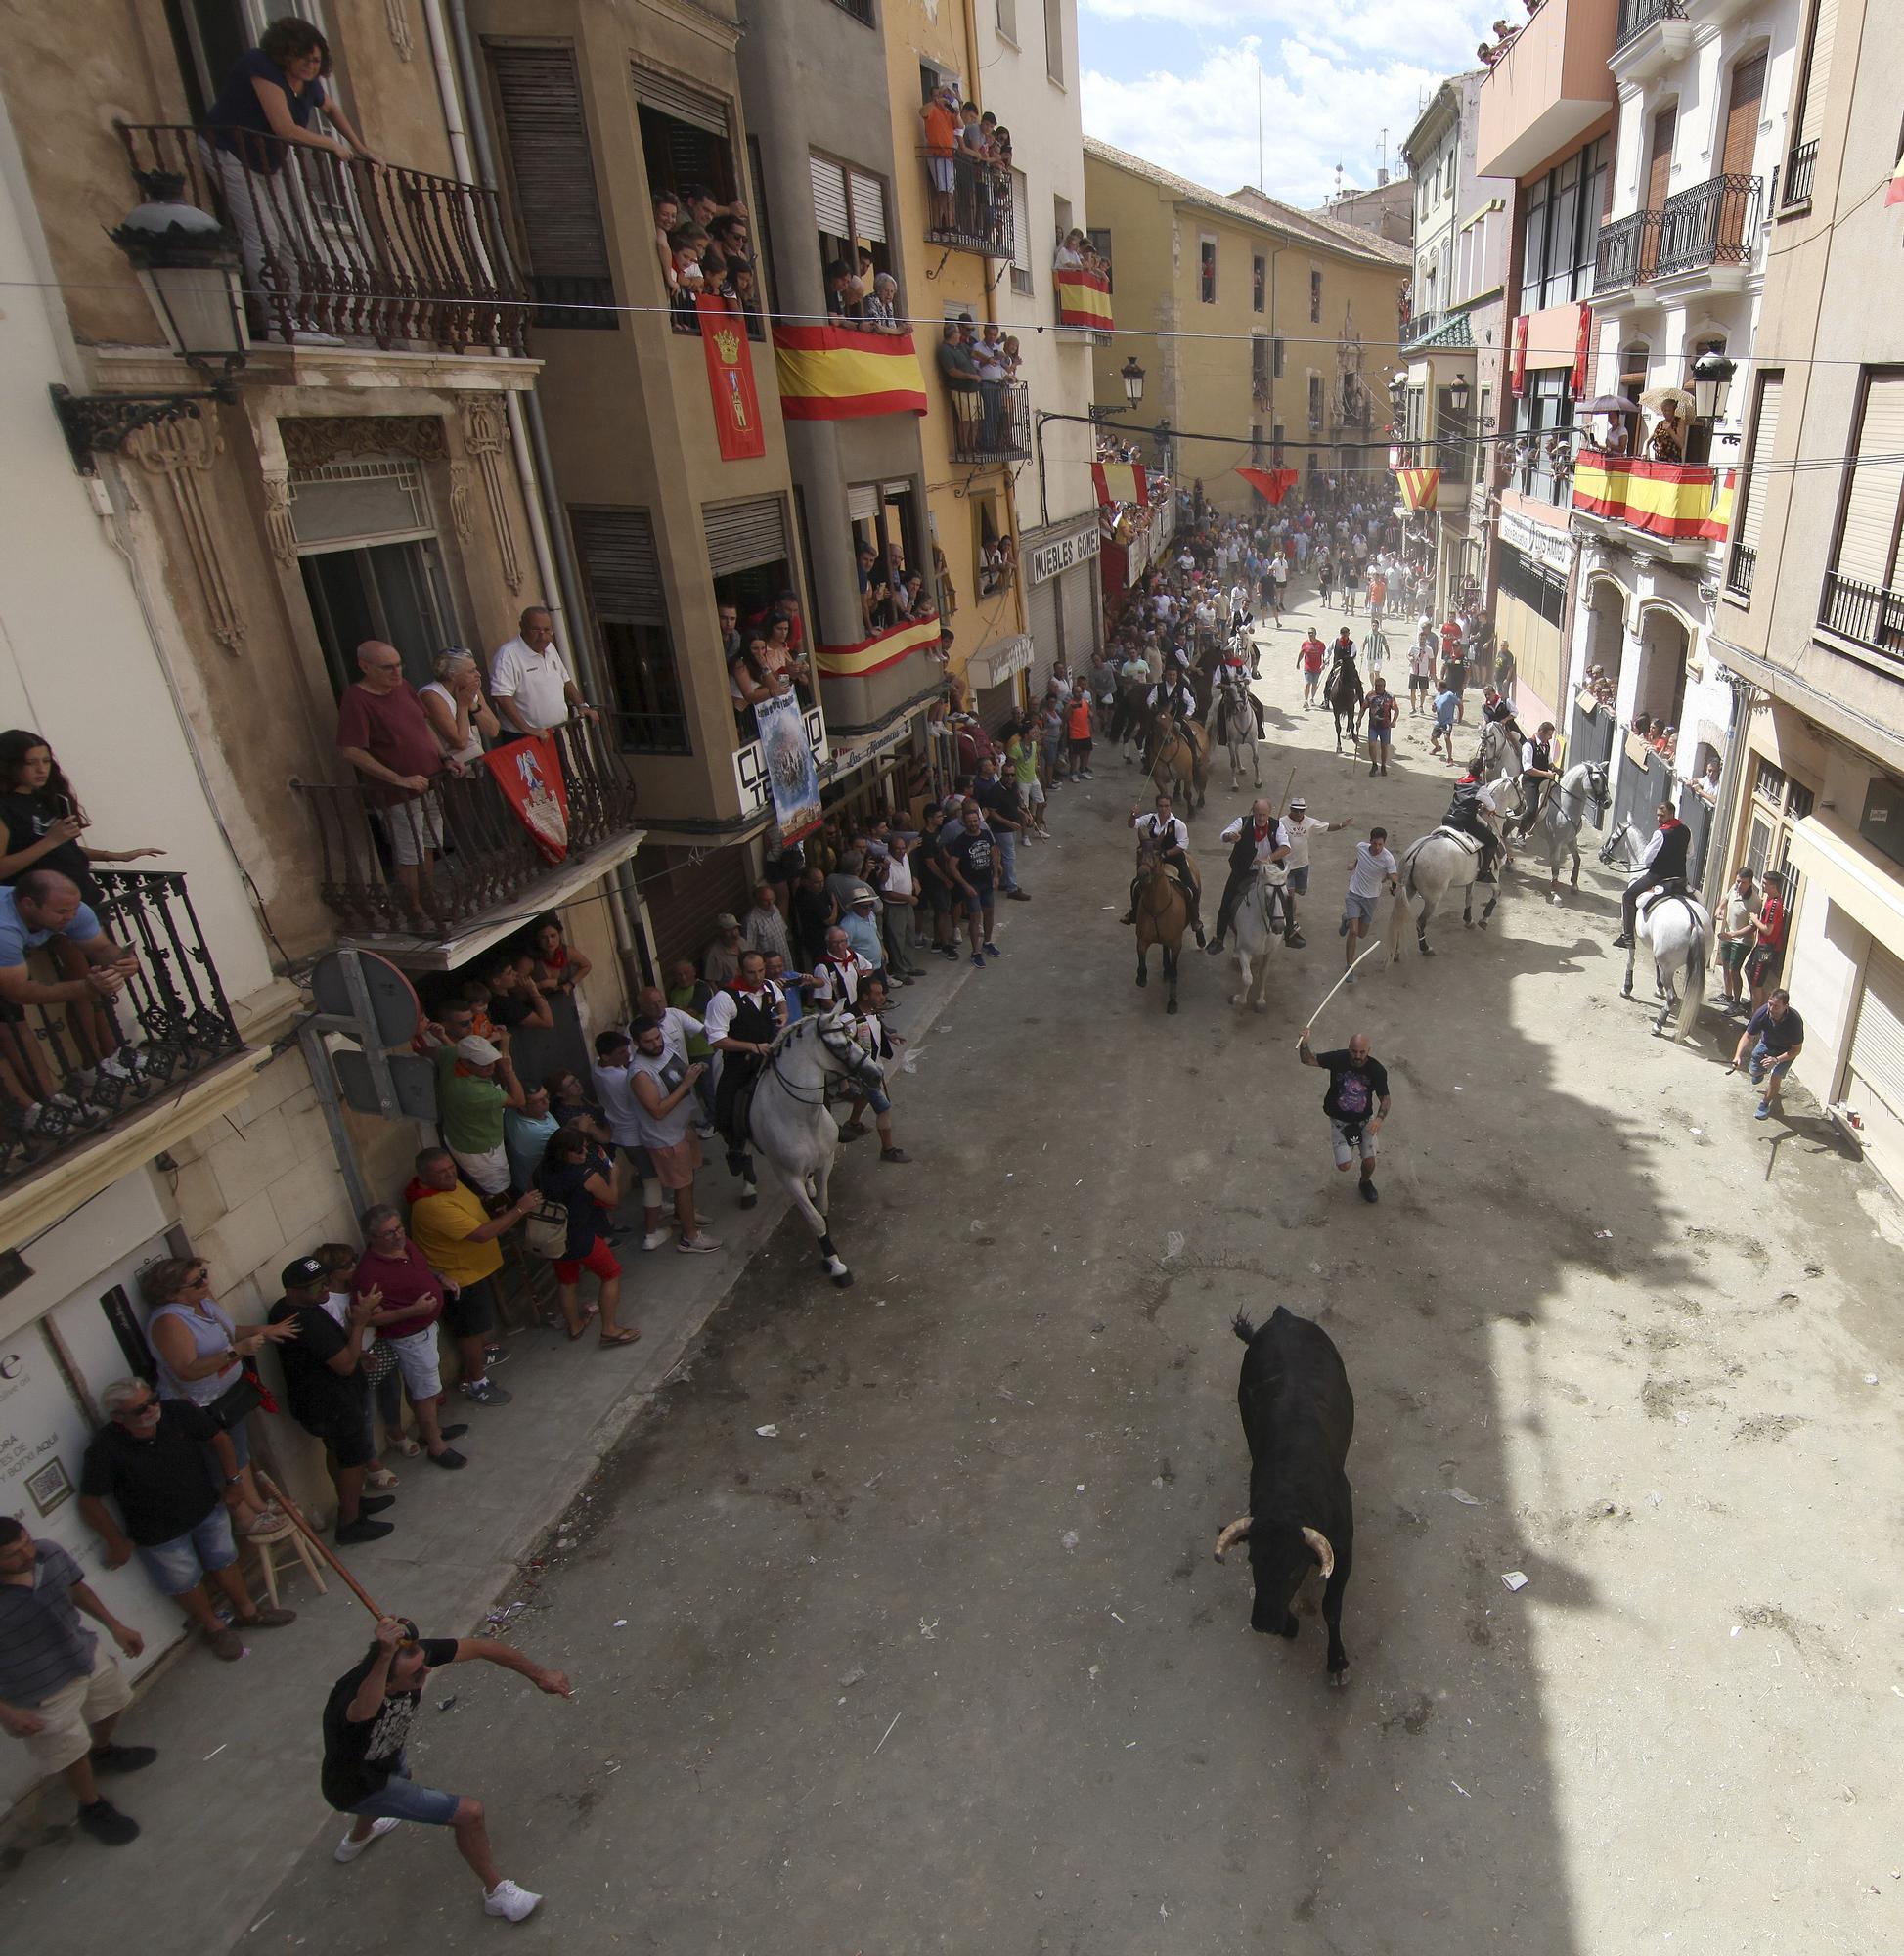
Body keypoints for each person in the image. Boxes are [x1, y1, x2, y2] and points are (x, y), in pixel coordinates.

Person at [324, 1613, 568, 1922]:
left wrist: (540, 1675)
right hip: (355, 1785)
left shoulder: (411, 1659)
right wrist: (385, 1653)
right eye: (415, 1676)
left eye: (425, 1664)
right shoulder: (355, 1697)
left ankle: (356, 1840)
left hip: (385, 1759)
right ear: (387, 1681)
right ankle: (496, 1893)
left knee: (400, 1776)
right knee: (469, 1814)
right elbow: (365, 1710)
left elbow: (481, 1647)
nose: (426, 1672)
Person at [77, 1381, 297, 1659]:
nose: (151, 1409)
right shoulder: (105, 1448)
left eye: (153, 1400)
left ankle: (249, 1612)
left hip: (205, 1507)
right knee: (185, 1582)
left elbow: (220, 1438)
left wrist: (234, 1482)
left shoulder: (177, 1412)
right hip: (159, 1532)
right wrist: (116, 1542)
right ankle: (215, 1627)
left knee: (225, 1560)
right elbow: (89, 1501)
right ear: (119, 1417)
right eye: (140, 1409)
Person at [199, 17, 376, 348]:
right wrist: (334, 146)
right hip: (230, 153)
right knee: (262, 232)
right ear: (285, 53)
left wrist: (361, 148)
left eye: (316, 60)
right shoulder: (259, 65)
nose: (311, 66)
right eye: (304, 58)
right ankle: (275, 318)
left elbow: (332, 108)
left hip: (268, 160)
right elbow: (284, 127)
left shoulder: (308, 84)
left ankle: (292, 312)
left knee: (291, 236)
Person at [0, 1518, 151, 1847]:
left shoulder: (48, 1553)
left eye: (26, 1541)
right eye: (13, 1553)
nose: (27, 1553)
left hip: (81, 1653)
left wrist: (115, 1626)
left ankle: (103, 1751)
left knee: (113, 1701)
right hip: (37, 1690)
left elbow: (76, 1588)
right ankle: (91, 1806)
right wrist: (8, 1713)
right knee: (69, 1751)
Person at [141, 1255, 293, 1536]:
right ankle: (244, 1517)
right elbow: (186, 1370)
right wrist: (237, 1351)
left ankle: (257, 1504)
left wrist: (267, 1330)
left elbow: (232, 1331)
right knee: (223, 1460)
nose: (206, 1282)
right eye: (197, 1281)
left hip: (227, 1394)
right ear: (172, 1292)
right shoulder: (169, 1321)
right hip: (200, 1405)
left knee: (239, 1451)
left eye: (204, 1274)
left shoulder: (203, 1302)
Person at [267, 1258, 396, 1544]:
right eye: (316, 1286)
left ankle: (353, 1503)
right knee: (352, 1458)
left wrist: (358, 1354)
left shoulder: (291, 1309)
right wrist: (360, 1322)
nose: (325, 1289)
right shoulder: (306, 1320)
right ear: (294, 1291)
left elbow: (337, 1351)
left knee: (339, 1453)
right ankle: (350, 1523)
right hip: (332, 1404)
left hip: (324, 1402)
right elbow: (345, 1365)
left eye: (326, 1282)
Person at [407, 1148, 540, 1402]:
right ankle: (477, 1382)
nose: (449, 1175)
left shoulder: (446, 1186)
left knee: (479, 1326)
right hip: (459, 1280)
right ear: (424, 1177)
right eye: (441, 1172)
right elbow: (481, 1234)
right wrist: (519, 1210)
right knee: (469, 1332)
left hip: (473, 1271)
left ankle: (480, 1358)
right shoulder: (431, 1205)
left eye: (450, 1168)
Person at [336, 641, 454, 918]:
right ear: (365, 667)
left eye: (399, 664)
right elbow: (351, 750)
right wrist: (398, 779)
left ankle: (428, 899)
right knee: (408, 853)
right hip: (398, 795)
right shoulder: (357, 699)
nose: (396, 672)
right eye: (387, 667)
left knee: (427, 844)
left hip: (430, 783)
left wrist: (445, 759)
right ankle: (412, 909)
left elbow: (423, 726)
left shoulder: (404, 687)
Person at [354, 1206, 472, 1468]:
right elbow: (370, 1318)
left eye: (398, 1229)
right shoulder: (369, 1273)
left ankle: (431, 1431)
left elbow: (422, 1268)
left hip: (427, 1329)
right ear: (372, 1238)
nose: (397, 1236)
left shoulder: (405, 1245)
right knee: (425, 1392)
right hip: (410, 1336)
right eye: (388, 1233)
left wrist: (440, 1278)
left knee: (422, 1387)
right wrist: (413, 1311)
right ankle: (437, 1446)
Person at [622, 1017, 720, 1252]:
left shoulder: (663, 1049)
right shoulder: (640, 1073)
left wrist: (695, 1071)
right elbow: (656, 1110)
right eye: (649, 1041)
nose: (657, 1043)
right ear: (636, 1043)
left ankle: (683, 1215)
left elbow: (678, 1074)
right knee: (682, 1186)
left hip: (683, 1128)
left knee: (688, 1181)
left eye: (658, 1037)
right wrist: (687, 1083)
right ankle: (690, 1237)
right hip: (666, 1139)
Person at [534, 1127, 639, 1345]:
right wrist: (613, 1177)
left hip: (554, 1238)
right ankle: (609, 1329)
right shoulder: (585, 1176)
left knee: (567, 1282)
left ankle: (574, 1325)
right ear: (565, 1153)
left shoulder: (541, 1171)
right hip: (582, 1236)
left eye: (584, 1149)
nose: (584, 1155)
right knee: (611, 1274)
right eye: (579, 1152)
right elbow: (612, 1200)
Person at [703, 950, 786, 1202]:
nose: (758, 976)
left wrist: (784, 1014)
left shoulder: (769, 986)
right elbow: (716, 1038)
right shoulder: (724, 998)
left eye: (761, 970)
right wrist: (751, 1047)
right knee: (728, 1107)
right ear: (740, 971)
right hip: (742, 1060)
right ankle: (737, 1150)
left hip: (771, 1053)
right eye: (752, 972)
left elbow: (781, 1000)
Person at [1297, 1026, 1392, 1203]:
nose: (1357, 1056)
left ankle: (1365, 1182)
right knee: (1344, 1166)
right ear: (1349, 1049)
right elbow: (1308, 1060)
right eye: (1354, 1052)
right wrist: (1304, 1043)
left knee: (1370, 1161)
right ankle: (1350, 1155)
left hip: (1364, 1121)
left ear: (1368, 1051)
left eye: (1362, 1052)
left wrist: (1379, 1119)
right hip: (1340, 1122)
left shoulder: (1377, 1070)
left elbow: (1385, 1098)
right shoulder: (1338, 1059)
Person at [430, 1034, 522, 1196]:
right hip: (480, 1151)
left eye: (491, 1061)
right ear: (465, 1062)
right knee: (498, 1189)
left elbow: (431, 1052)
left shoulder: (452, 1054)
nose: (491, 1067)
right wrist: (508, 1070)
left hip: (460, 1134)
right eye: (484, 1065)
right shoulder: (474, 1092)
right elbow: (519, 1101)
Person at [837, 975, 909, 1163]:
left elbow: (874, 1028)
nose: (882, 997)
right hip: (862, 1072)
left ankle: (853, 1123)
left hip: (872, 1067)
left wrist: (889, 1037)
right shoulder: (849, 1019)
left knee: (864, 1095)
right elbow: (840, 1046)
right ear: (865, 995)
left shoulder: (871, 1011)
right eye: (877, 993)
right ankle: (888, 1150)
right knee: (884, 1108)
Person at [1207, 798, 1290, 954]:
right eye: (1258, 814)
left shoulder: (1277, 826)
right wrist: (1231, 836)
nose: (1261, 818)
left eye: (1264, 814)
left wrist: (1268, 859)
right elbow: (1224, 835)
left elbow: (1286, 848)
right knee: (1226, 901)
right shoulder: (1243, 822)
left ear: (1269, 813)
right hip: (1244, 870)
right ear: (1253, 812)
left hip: (1269, 872)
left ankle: (1290, 930)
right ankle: (1219, 938)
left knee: (1285, 897)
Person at [489, 608, 592, 734]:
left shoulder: (549, 648)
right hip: (525, 737)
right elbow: (501, 697)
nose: (542, 635)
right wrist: (528, 729)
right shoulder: (508, 655)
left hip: (556, 732)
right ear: (522, 627)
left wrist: (582, 705)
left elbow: (566, 681)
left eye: (547, 630)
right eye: (535, 629)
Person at [1123, 792, 1202, 943]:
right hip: (1155, 859)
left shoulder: (1178, 824)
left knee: (1192, 889)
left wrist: (1165, 854)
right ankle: (1134, 913)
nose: (1163, 809)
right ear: (1157, 806)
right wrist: (1133, 815)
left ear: (1170, 807)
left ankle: (1195, 919)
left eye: (1166, 806)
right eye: (1160, 806)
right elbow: (1133, 825)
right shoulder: (1151, 819)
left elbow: (1182, 845)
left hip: (1174, 858)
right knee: (1136, 884)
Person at [1614, 802, 1693, 948]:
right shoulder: (1686, 830)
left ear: (1671, 814)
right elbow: (1690, 853)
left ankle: (1628, 937)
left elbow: (1647, 858)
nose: (1658, 818)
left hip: (1659, 876)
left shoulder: (1661, 833)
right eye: (1657, 815)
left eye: (1662, 815)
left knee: (1628, 896)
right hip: (1681, 879)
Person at [417, 650, 499, 768]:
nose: (478, 674)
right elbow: (460, 742)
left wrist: (473, 705)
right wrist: (463, 706)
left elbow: (493, 730)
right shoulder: (432, 695)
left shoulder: (470, 688)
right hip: (455, 768)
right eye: (471, 671)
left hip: (476, 762)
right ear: (452, 675)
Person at [945, 800, 1002, 966]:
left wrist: (996, 875)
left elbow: (994, 852)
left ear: (979, 820)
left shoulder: (985, 833)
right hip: (972, 885)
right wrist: (964, 885)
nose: (973, 824)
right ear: (965, 822)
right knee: (975, 918)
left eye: (975, 821)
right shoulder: (961, 841)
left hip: (986, 882)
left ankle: (988, 943)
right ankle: (975, 952)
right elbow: (952, 866)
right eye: (970, 822)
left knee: (989, 913)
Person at [1734, 987, 1804, 1122]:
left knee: (1776, 1077)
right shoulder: (1762, 1012)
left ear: (1786, 1006)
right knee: (1753, 1072)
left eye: (1776, 1006)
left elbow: (1796, 1050)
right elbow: (1747, 1036)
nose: (1771, 1009)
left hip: (1786, 1051)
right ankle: (1759, 1073)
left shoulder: (1794, 1021)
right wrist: (1737, 1056)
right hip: (1766, 1044)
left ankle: (1765, 1104)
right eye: (1770, 1004)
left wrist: (1776, 1060)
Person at [1341, 827, 1398, 974]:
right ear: (1369, 841)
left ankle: (1346, 919)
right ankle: (1349, 967)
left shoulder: (1388, 858)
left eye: (1380, 844)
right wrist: (1354, 865)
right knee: (1353, 932)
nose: (1377, 847)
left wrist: (1395, 885)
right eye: (1374, 844)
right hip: (1354, 894)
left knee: (1361, 934)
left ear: (1384, 843)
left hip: (1371, 898)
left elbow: (1393, 875)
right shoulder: (1361, 847)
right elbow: (1360, 857)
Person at [1441, 763, 1505, 883]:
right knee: (1492, 841)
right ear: (1481, 772)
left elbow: (1463, 798)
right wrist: (1487, 808)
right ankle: (1483, 873)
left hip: (1448, 817)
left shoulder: (1459, 781)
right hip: (1465, 821)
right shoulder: (1480, 787)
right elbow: (1492, 806)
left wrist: (1476, 803)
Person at [1716, 867, 1761, 1014]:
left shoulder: (1754, 901)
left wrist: (1734, 935)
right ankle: (1727, 995)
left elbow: (1752, 927)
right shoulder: (1734, 889)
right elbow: (1726, 898)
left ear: (1750, 884)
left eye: (1743, 883)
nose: (1739, 885)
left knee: (1734, 971)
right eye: (1737, 881)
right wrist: (1720, 909)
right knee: (1725, 965)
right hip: (1728, 936)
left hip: (1741, 941)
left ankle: (1736, 1002)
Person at [1747, 869, 1789, 1007]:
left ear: (1773, 886)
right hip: (1761, 946)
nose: (1762, 885)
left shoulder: (1774, 905)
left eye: (1765, 883)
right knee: (1748, 971)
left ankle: (1756, 1015)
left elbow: (1768, 930)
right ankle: (1754, 1005)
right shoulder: (1770, 900)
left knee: (1757, 983)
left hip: (1766, 949)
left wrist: (1755, 919)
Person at [1513, 721, 1559, 834]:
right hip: (1530, 781)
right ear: (1542, 733)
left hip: (1544, 779)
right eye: (1549, 735)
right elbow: (1528, 769)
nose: (1551, 738)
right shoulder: (1528, 746)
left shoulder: (1546, 745)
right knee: (1532, 809)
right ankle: (1521, 833)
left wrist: (1554, 768)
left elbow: (1548, 762)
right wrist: (1546, 774)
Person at [1364, 676, 1397, 778]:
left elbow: (1396, 710)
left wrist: (1394, 721)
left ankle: (1383, 765)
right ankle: (1374, 764)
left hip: (1385, 726)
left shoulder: (1390, 697)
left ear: (1384, 686)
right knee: (1371, 745)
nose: (1378, 687)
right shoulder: (1370, 695)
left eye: (1380, 686)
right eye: (1376, 686)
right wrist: (1359, 719)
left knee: (1384, 747)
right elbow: (1363, 707)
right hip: (1373, 726)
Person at [704, 911, 744, 986]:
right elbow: (711, 982)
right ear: (720, 932)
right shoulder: (713, 954)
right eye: (729, 930)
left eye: (735, 928)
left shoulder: (742, 941)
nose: (734, 934)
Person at [1429, 680, 1460, 763]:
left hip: (1447, 721)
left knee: (1447, 738)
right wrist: (1433, 708)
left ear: (1441, 687)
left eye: (1437, 686)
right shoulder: (1438, 696)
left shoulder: (1450, 695)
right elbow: (1434, 710)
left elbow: (1460, 705)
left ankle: (1450, 758)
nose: (1436, 688)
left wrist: (1459, 718)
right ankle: (1438, 747)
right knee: (1432, 739)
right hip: (1439, 722)